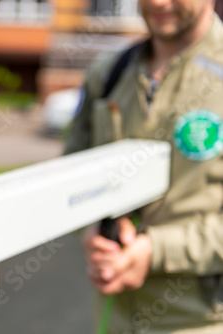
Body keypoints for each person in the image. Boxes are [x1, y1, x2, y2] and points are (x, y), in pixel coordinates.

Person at [65, 0, 223, 333]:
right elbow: (73, 175)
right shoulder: (107, 73)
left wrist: (157, 250)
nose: (156, 2)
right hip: (114, 315)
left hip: (201, 320)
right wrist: (92, 230)